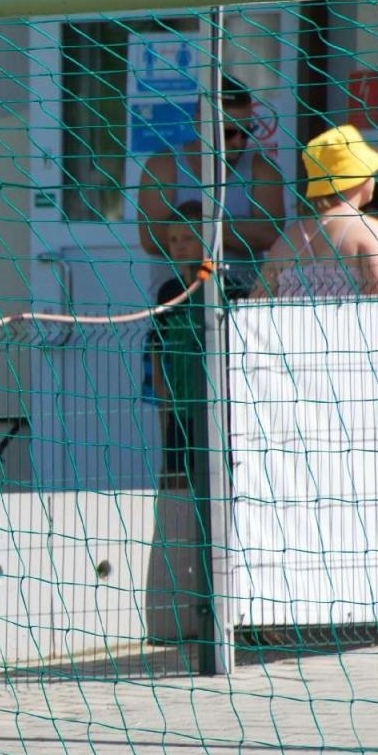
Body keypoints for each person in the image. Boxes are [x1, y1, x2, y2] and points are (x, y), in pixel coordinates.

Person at [137, 76, 286, 298]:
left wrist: (201, 229)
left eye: (246, 131)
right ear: (201, 123)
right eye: (228, 133)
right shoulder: (163, 167)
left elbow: (271, 235)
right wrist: (231, 233)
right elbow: (152, 239)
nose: (239, 142)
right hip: (177, 305)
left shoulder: (262, 170)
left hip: (243, 305)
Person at [255, 125, 378, 300]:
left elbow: (256, 302)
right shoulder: (371, 233)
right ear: (360, 177)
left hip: (295, 328)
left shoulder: (286, 241)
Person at [146, 201, 208, 487]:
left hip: (215, 409)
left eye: (188, 238)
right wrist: (166, 409)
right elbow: (159, 355)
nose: (180, 246)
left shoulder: (225, 289)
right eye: (173, 240)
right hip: (180, 409)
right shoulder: (169, 292)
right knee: (177, 482)